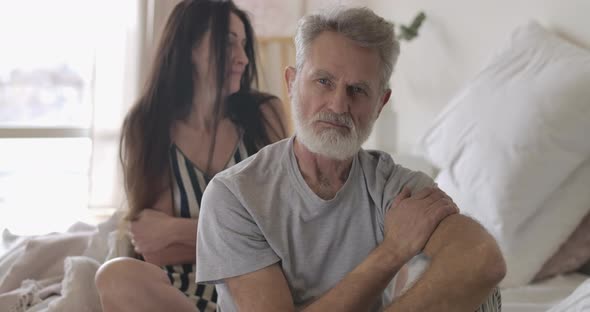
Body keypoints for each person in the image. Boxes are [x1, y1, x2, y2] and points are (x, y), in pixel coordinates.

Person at [195, 6, 506, 312]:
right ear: (291, 83)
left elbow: (482, 260)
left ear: (380, 103)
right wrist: (392, 251)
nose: (339, 105)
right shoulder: (235, 195)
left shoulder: (395, 188)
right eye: (324, 82)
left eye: (358, 89)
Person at [94, 0, 288, 311]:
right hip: (175, 296)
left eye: (244, 45)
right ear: (188, 48)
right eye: (228, 43)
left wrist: (173, 229)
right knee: (114, 275)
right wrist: (244, 234)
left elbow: (283, 228)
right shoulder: (148, 125)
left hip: (252, 292)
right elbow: (154, 249)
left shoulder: (265, 115)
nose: (242, 58)